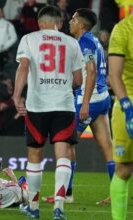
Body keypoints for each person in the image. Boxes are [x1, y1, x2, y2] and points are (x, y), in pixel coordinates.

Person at [12, 6, 83, 219]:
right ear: (59, 24)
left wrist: (17, 96)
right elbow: (78, 80)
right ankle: (59, 206)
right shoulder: (72, 43)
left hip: (37, 106)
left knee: (35, 155)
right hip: (63, 105)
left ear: (40, 23)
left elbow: (23, 67)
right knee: (63, 155)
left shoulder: (29, 39)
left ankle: (33, 207)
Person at [42, 8, 115, 205]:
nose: (70, 22)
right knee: (107, 147)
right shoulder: (95, 41)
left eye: (74, 19)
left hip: (88, 101)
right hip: (102, 99)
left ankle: (66, 193)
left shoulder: (84, 43)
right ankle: (118, 192)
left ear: (81, 25)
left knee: (64, 145)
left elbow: (90, 72)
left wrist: (84, 104)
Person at [108, 13, 133, 220]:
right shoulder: (123, 29)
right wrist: (127, 106)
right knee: (124, 168)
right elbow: (114, 74)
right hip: (129, 102)